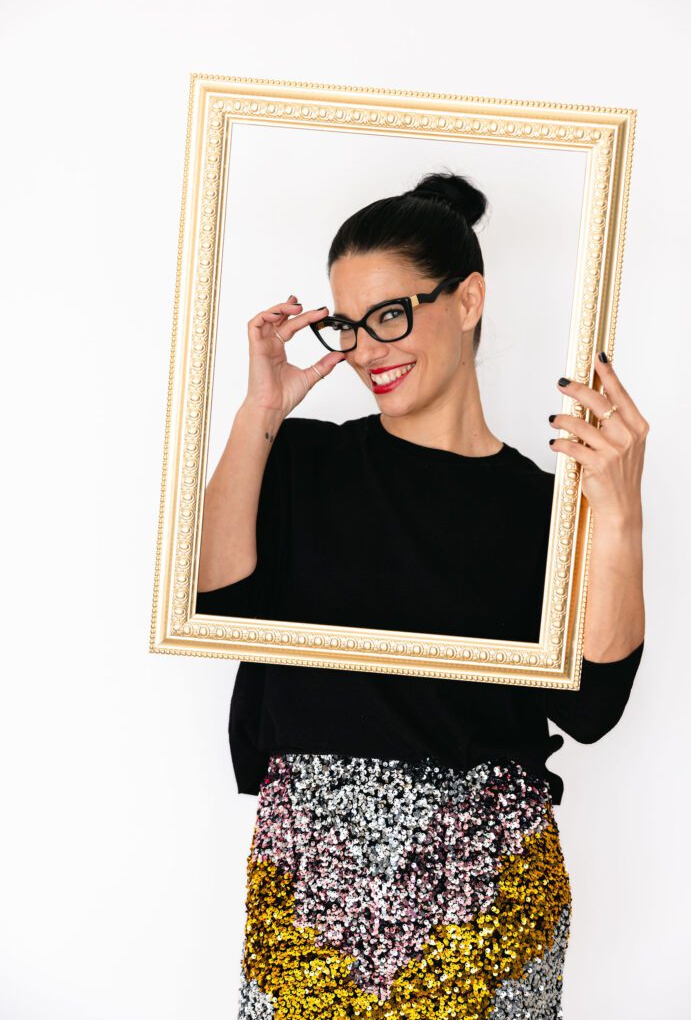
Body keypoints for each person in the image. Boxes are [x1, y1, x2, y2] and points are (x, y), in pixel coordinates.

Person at [196, 172, 647, 1018]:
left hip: (486, 882)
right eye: (346, 325)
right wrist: (260, 412)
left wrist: (619, 514)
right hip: (315, 871)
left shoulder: (545, 508)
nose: (367, 349)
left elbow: (592, 706)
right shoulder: (301, 460)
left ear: (467, 299)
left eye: (390, 315)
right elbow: (218, 610)